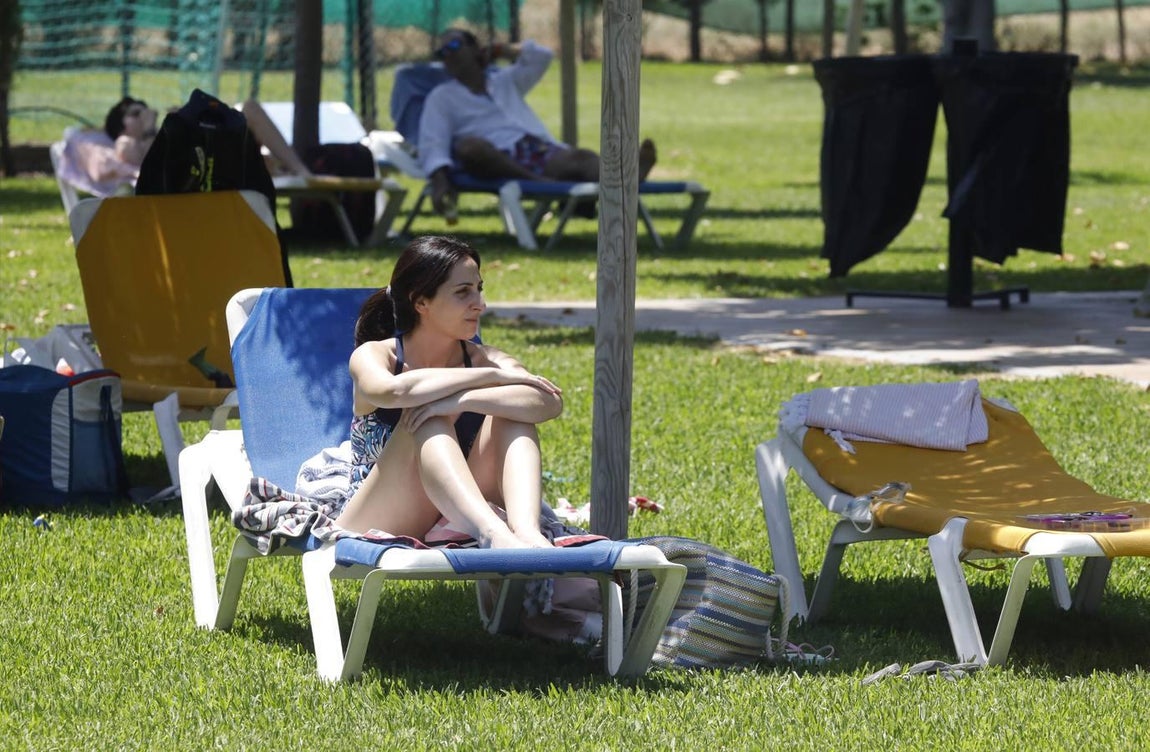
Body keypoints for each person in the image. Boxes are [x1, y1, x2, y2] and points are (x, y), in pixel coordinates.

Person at [333, 235, 564, 549]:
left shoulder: (483, 357)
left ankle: (526, 533)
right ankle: (494, 536)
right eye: (463, 292)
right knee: (427, 416)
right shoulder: (377, 356)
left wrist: (464, 399)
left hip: (458, 506)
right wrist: (490, 376)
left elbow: (547, 402)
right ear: (421, 302)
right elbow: (392, 391)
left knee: (513, 414)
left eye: (478, 289)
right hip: (378, 513)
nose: (480, 304)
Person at [418, 29, 658, 218]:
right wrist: (439, 182)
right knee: (469, 148)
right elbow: (433, 142)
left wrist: (501, 49)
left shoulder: (504, 81)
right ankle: (538, 184)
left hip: (532, 149)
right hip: (491, 157)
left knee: (580, 159)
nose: (448, 54)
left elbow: (542, 56)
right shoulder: (441, 97)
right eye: (442, 53)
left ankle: (629, 174)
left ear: (474, 49)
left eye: (454, 45)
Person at [103, 96, 158, 168]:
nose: (144, 116)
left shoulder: (153, 136)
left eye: (145, 111)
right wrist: (149, 129)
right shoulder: (123, 143)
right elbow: (152, 161)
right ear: (121, 128)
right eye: (136, 113)